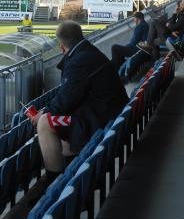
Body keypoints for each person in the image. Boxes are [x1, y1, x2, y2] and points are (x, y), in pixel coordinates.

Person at [29, 21, 128, 182]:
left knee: (45, 122)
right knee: (60, 119)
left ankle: (53, 182)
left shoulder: (78, 61)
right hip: (108, 113)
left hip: (101, 118)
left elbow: (65, 100)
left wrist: (43, 113)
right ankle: (69, 168)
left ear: (61, 46)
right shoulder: (88, 52)